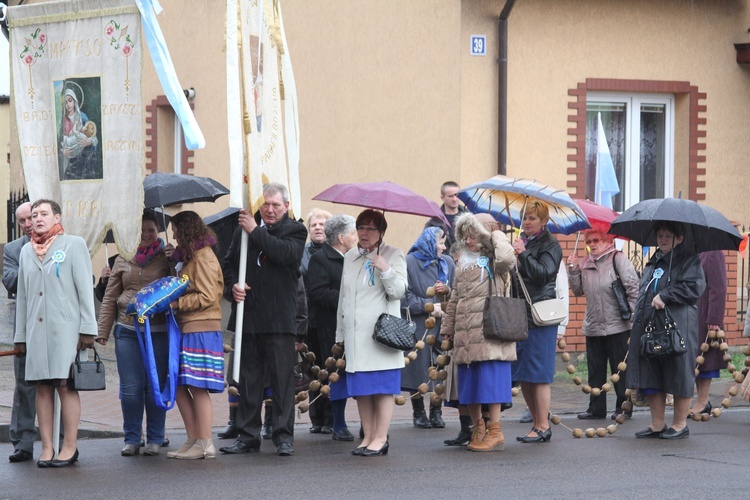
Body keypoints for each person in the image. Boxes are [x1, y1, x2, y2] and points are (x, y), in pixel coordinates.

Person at [221, 183, 307, 457]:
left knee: (282, 381)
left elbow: (283, 254)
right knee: (248, 380)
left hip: (280, 319)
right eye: (266, 204)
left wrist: (254, 230)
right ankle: (247, 435)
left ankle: (283, 436)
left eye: (276, 206)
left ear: (286, 207)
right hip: (249, 318)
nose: (270, 210)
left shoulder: (295, 230)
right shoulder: (243, 232)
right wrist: (233, 285)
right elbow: (228, 265)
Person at [13, 199, 96, 468]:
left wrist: (88, 328)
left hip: (66, 330)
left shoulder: (73, 244)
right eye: (34, 214)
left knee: (65, 385)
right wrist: (20, 336)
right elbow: (23, 298)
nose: (37, 218)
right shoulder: (26, 251)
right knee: (42, 387)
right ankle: (47, 447)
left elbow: (85, 289)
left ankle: (69, 446)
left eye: (44, 214)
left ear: (57, 217)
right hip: (37, 332)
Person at [95, 212, 172, 456]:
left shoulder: (166, 257)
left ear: (158, 231)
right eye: (140, 231)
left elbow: (179, 287)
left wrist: (176, 261)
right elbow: (109, 298)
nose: (146, 235)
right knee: (130, 387)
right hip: (127, 330)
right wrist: (102, 331)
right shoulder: (123, 258)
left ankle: (156, 439)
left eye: (150, 230)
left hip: (158, 330)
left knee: (155, 386)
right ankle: (131, 438)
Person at [440, 213, 516, 451]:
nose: (469, 240)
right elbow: (455, 295)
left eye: (473, 235)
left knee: (491, 379)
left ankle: (496, 431)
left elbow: (507, 259)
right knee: (470, 382)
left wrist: (495, 233)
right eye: (465, 236)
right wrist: (448, 328)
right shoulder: (462, 258)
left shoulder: (495, 256)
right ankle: (478, 428)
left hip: (490, 327)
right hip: (465, 329)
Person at [336, 209, 407, 456]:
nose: (364, 233)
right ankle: (367, 435)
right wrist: (340, 334)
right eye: (361, 227)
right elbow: (343, 298)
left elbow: (399, 291)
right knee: (362, 389)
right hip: (356, 336)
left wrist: (385, 269)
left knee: (383, 387)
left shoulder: (393, 254)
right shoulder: (350, 257)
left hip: (381, 335)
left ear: (381, 232)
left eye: (371, 229)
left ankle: (381, 437)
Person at [627, 221, 705, 439]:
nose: (662, 239)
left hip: (679, 325)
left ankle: (680, 424)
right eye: (660, 235)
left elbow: (693, 288)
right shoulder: (654, 261)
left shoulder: (690, 260)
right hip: (651, 325)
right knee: (652, 372)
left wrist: (666, 296)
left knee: (679, 372)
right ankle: (657, 424)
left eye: (667, 236)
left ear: (679, 238)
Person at [165, 211, 225, 459]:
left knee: (196, 387)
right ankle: (194, 437)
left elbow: (208, 296)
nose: (174, 236)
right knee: (180, 385)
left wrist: (176, 304)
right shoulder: (191, 256)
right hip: (189, 326)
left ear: (186, 230)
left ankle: (206, 443)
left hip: (201, 327)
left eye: (177, 231)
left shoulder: (203, 257)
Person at [567, 230, 639, 420]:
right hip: (593, 325)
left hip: (619, 325)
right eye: (589, 241)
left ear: (607, 240)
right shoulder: (585, 263)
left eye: (596, 240)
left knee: (620, 370)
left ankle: (623, 407)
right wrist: (573, 270)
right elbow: (577, 290)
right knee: (595, 370)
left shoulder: (618, 259)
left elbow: (634, 289)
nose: (592, 243)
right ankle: (596, 408)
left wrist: (634, 317)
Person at [511, 201, 563, 443]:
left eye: (532, 218)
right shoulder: (524, 242)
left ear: (544, 222)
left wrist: (523, 254)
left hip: (540, 314)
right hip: (522, 314)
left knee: (539, 374)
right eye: (525, 218)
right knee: (525, 374)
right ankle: (535, 423)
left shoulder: (550, 245)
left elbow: (543, 275)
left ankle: (543, 425)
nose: (527, 222)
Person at [306, 214, 358, 441]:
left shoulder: (355, 258)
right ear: (341, 237)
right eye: (353, 233)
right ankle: (338, 422)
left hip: (354, 325)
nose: (356, 238)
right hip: (328, 327)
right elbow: (317, 292)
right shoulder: (321, 258)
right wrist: (346, 298)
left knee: (353, 372)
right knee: (337, 373)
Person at [402, 226, 455, 429]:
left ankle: (436, 410)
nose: (444, 247)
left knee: (440, 367)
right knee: (418, 368)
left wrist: (446, 294)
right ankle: (418, 411)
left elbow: (456, 292)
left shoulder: (448, 262)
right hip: (419, 324)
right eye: (440, 243)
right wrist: (428, 306)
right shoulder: (410, 262)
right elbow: (404, 296)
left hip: (443, 325)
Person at [4, 202, 35, 463]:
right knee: (24, 385)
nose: (27, 224)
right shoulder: (14, 249)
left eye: (30, 218)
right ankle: (23, 442)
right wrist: (33, 261)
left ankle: (57, 439)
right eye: (22, 220)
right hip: (24, 327)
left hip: (56, 326)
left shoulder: (61, 246)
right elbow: (10, 281)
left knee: (59, 384)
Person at [300, 207, 333, 434]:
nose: (318, 228)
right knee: (312, 367)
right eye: (314, 225)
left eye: (322, 225)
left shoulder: (335, 254)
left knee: (330, 367)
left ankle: (331, 418)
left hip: (329, 318)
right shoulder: (302, 253)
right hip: (308, 318)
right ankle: (316, 417)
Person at [690, 250, 728, 415]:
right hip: (693, 314)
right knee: (696, 359)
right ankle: (700, 399)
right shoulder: (695, 252)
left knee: (706, 358)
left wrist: (714, 318)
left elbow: (718, 287)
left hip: (706, 315)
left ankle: (703, 401)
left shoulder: (713, 253)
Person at [58, 86, 99, 180]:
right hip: (69, 160)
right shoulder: (62, 120)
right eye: (65, 102)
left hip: (83, 159)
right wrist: (63, 152)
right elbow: (60, 143)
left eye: (70, 100)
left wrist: (89, 142)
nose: (68, 104)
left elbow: (94, 138)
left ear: (74, 101)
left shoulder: (83, 117)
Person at [427, 181, 467, 256]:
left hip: (465, 262)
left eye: (457, 195)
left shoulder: (469, 219)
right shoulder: (434, 222)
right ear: (442, 198)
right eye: (450, 196)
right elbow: (427, 245)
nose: (454, 199)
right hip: (443, 262)